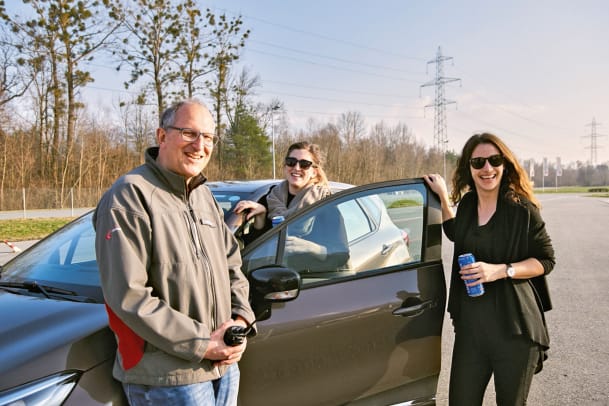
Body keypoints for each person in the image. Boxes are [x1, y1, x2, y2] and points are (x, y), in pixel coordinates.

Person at [93, 99, 256, 406]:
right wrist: (200, 343)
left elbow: (232, 265)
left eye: (208, 137)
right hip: (169, 378)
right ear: (162, 136)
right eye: (189, 133)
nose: (200, 145)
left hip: (223, 366)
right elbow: (128, 295)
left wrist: (240, 320)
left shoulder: (203, 195)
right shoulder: (130, 195)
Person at [423, 132, 555, 406]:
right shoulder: (469, 204)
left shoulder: (522, 210)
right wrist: (443, 199)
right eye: (478, 162)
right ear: (469, 168)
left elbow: (545, 260)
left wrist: (501, 270)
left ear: (504, 165)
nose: (487, 168)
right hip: (472, 330)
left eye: (494, 160)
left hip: (515, 329)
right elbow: (455, 232)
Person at [233, 141, 331, 236]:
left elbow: (337, 246)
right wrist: (261, 215)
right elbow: (257, 246)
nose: (296, 168)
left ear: (314, 172)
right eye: (291, 162)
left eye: (304, 164)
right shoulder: (269, 198)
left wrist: (308, 248)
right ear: (285, 166)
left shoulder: (325, 202)